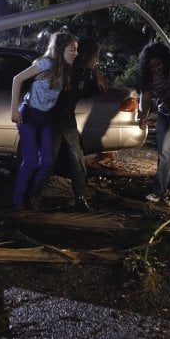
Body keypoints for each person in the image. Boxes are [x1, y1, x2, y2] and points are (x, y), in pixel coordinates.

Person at [10, 32, 79, 212]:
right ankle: (18, 200)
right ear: (60, 49)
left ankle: (33, 196)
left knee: (48, 161)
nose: (75, 53)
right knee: (31, 160)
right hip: (29, 115)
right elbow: (17, 79)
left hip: (46, 117)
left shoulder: (64, 69)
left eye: (76, 50)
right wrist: (14, 110)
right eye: (72, 49)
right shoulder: (45, 63)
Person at [52, 38, 108, 212]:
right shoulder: (67, 70)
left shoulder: (84, 73)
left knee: (76, 161)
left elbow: (97, 89)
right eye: (95, 56)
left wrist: (96, 73)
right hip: (53, 121)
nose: (96, 59)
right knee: (51, 160)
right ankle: (31, 197)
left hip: (66, 121)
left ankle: (80, 200)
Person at [138, 42, 170, 203]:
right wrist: (143, 117)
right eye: (152, 67)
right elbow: (145, 97)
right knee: (162, 150)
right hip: (163, 112)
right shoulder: (149, 75)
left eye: (158, 65)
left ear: (165, 60)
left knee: (166, 149)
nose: (156, 69)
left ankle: (159, 192)